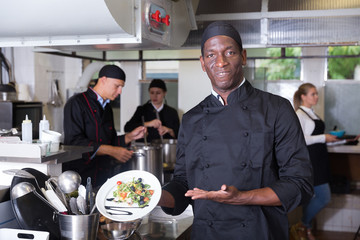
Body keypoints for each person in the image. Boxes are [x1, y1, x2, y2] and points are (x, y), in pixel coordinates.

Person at [157, 21, 314, 240]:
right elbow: (184, 182)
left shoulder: (277, 109)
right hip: (207, 233)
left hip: (259, 231)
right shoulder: (192, 119)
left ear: (243, 56)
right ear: (202, 63)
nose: (220, 62)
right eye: (211, 55)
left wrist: (242, 197)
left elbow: (299, 183)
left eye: (229, 52)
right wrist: (153, 197)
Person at [63, 65, 146, 187]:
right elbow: (75, 142)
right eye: (117, 86)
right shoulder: (76, 103)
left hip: (103, 175)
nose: (120, 91)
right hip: (80, 177)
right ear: (103, 80)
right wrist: (112, 151)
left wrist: (129, 137)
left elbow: (110, 141)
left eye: (121, 87)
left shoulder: (107, 107)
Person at [291, 83, 339, 240]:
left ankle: (306, 230)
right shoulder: (299, 114)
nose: (316, 96)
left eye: (316, 94)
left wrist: (335, 140)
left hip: (320, 158)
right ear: (303, 96)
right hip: (310, 160)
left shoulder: (312, 114)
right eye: (313, 94)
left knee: (311, 198)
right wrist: (323, 137)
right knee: (324, 197)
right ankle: (302, 224)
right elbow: (300, 140)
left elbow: (317, 139)